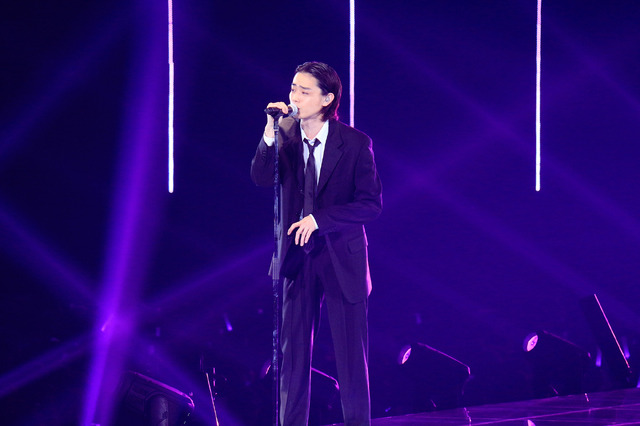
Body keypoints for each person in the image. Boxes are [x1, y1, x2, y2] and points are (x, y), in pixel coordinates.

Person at [251, 61, 382, 426]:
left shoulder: (355, 143)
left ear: (327, 99)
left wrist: (320, 220)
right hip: (296, 258)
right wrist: (269, 134)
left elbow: (370, 205)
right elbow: (260, 177)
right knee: (292, 358)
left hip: (341, 256)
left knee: (351, 359)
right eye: (293, 88)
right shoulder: (285, 133)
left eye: (304, 91)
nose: (294, 97)